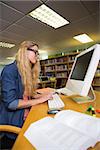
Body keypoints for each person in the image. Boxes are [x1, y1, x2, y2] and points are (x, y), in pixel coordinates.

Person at [0, 41, 53, 147]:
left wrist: (43, 96)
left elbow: (28, 94)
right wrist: (39, 100)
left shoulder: (26, 71)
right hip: (12, 126)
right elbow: (11, 103)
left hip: (25, 116)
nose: (37, 56)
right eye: (35, 52)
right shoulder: (10, 70)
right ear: (24, 51)